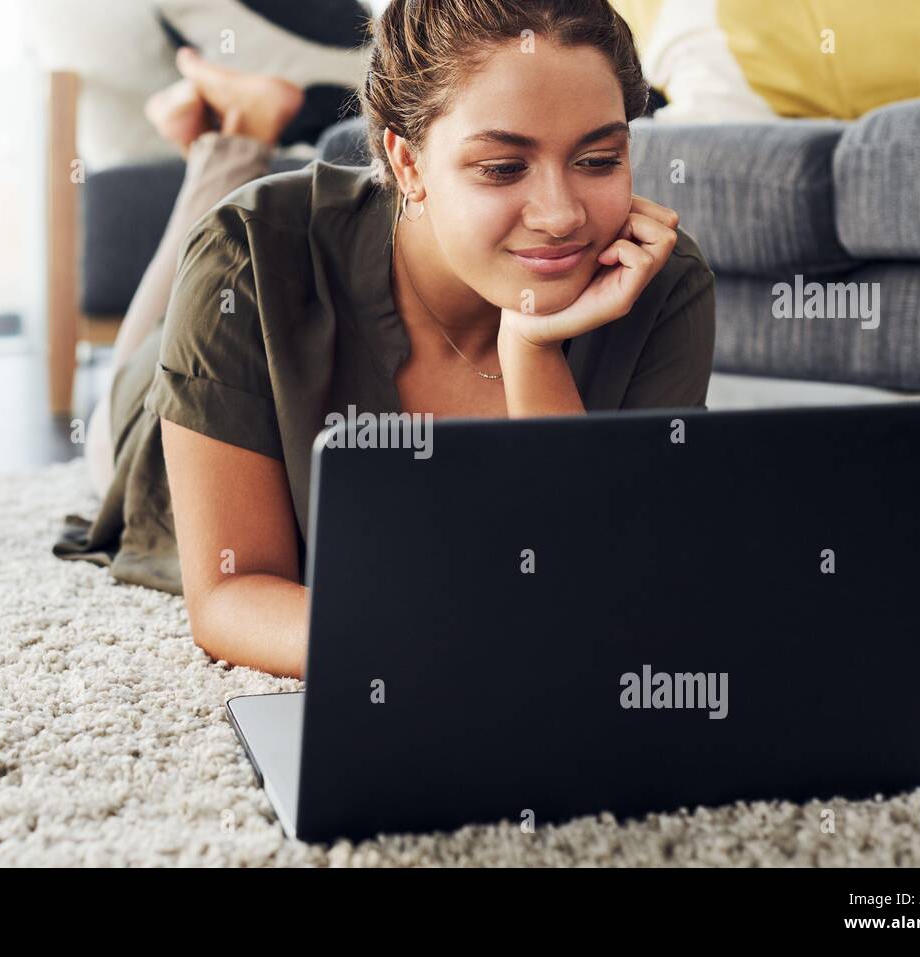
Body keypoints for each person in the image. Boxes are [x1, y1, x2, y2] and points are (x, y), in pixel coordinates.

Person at [56, 0, 717, 680]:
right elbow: (232, 594)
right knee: (205, 254)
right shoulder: (249, 257)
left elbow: (601, 594)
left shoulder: (660, 284)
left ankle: (244, 123)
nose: (561, 215)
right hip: (145, 426)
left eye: (599, 158)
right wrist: (446, 647)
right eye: (501, 167)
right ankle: (227, 140)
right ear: (406, 162)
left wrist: (530, 348)